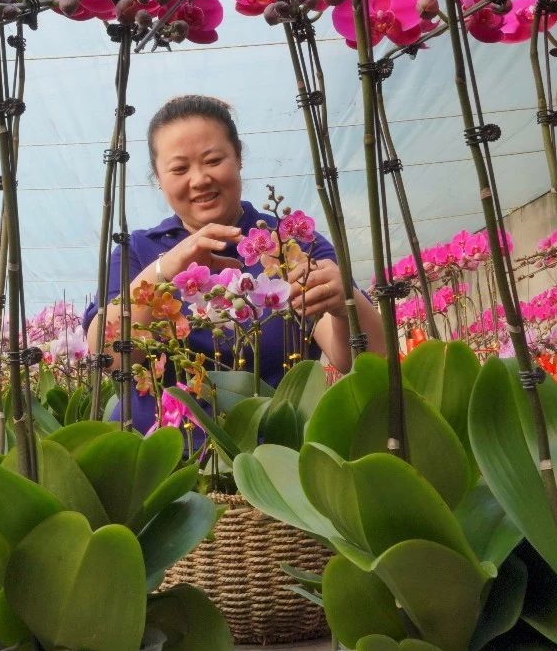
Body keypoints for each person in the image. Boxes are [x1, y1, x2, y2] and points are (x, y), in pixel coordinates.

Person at [83, 94, 386, 434]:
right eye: (180, 168)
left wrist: (346, 303)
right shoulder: (138, 251)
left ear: (238, 157)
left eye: (213, 160)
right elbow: (108, 357)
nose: (199, 179)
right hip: (161, 453)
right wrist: (164, 270)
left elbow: (367, 360)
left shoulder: (289, 245)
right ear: (158, 177)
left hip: (273, 449)